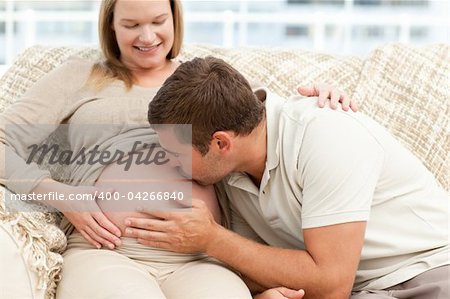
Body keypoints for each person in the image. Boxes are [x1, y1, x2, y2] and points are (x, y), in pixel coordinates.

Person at [0, 0, 356, 298]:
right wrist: (60, 194)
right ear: (110, 27)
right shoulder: (79, 77)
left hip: (200, 259)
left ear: (175, 19)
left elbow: (261, 129)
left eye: (158, 21)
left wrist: (321, 101)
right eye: (131, 24)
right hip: (108, 250)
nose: (148, 36)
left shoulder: (206, 81)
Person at [125, 56, 450, 299]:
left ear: (221, 143)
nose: (169, 162)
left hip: (427, 273)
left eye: (177, 152)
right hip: (364, 289)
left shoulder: (327, 137)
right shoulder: (229, 170)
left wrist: (212, 238)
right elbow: (254, 265)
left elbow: (332, 284)